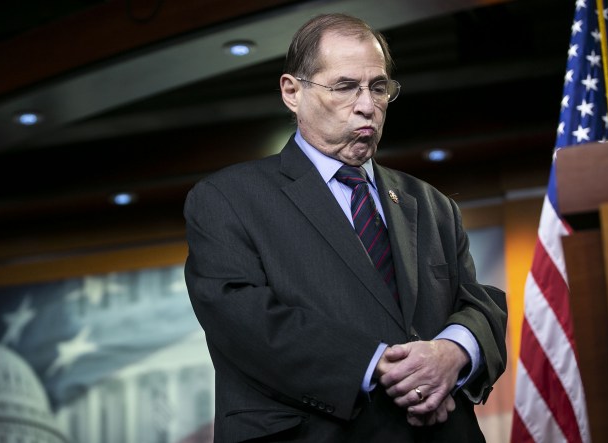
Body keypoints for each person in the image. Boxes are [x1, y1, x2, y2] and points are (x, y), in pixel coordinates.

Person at [184, 12, 507, 442]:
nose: (367, 105)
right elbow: (244, 322)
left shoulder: (433, 205)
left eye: (378, 88)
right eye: (344, 87)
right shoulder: (227, 200)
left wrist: (452, 352)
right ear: (291, 92)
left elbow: (477, 302)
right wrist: (378, 366)